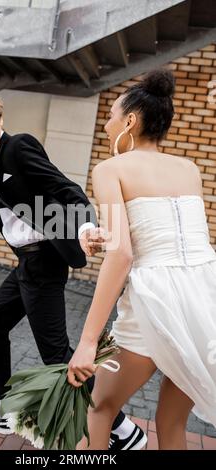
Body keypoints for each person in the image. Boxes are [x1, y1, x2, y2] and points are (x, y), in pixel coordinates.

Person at [0, 85, 146, 449]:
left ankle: (123, 430)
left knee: (57, 356)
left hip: (43, 261)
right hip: (29, 261)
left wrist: (85, 228)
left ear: (0, 118)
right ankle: (0, 408)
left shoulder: (17, 146)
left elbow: (64, 188)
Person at [67, 68, 216, 450]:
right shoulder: (189, 169)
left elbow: (123, 254)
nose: (106, 124)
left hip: (156, 302)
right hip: (205, 300)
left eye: (112, 116)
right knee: (171, 425)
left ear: (130, 121)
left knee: (99, 407)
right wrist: (108, 237)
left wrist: (87, 342)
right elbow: (168, 233)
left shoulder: (110, 168)